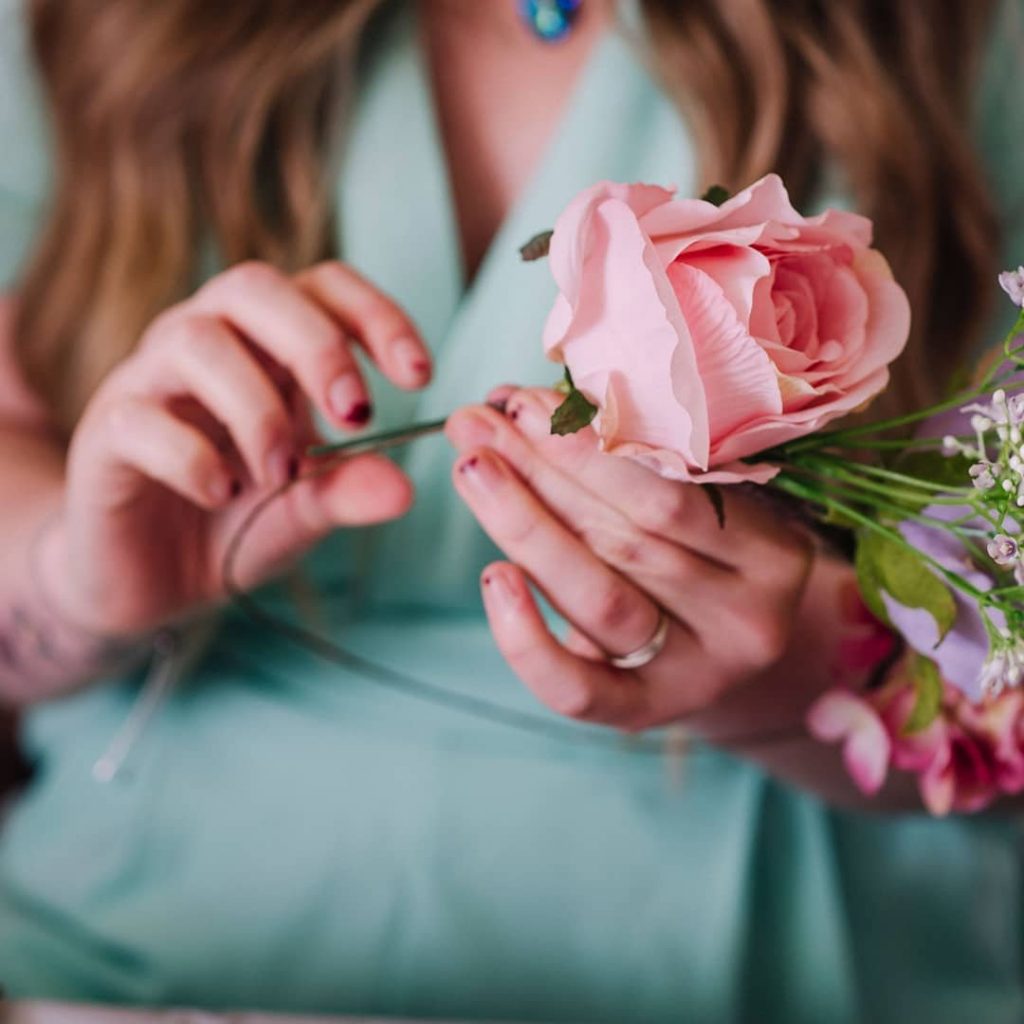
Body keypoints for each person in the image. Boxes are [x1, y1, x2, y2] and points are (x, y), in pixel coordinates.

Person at [0, 0, 1022, 1019]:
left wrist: (801, 677)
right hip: (131, 950)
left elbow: (997, 685)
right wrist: (72, 576)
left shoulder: (963, 39)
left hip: (768, 954)